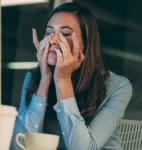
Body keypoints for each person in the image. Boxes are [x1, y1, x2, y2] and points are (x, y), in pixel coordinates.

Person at [11, 2, 132, 150]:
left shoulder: (118, 86)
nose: (53, 40)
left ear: (85, 44)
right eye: (49, 33)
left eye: (65, 34)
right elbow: (19, 146)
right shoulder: (33, 78)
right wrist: (45, 79)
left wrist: (63, 80)